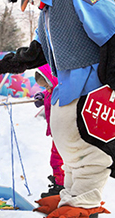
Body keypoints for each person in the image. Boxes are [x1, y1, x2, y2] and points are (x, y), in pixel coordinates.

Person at [0, 0, 115, 218]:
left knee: (90, 153)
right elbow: (37, 52)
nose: (28, 4)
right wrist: (1, 66)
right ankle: (70, 197)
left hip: (91, 92)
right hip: (67, 91)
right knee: (70, 153)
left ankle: (83, 205)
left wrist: (113, 86)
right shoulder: (47, 13)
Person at [33, 64, 65, 199]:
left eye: (46, 86)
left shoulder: (61, 92)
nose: (46, 89)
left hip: (63, 132)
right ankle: (59, 182)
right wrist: (42, 96)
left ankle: (61, 186)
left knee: (58, 160)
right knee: (56, 160)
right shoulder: (53, 91)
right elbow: (49, 93)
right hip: (57, 132)